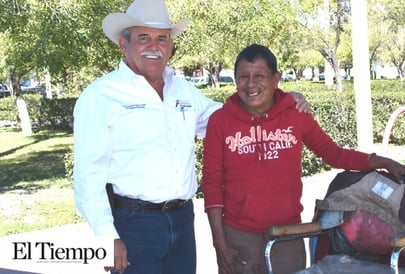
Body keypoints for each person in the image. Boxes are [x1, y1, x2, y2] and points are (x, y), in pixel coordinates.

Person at [73, 1, 311, 273]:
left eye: (162, 38)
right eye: (143, 38)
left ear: (171, 46)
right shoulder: (100, 96)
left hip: (183, 220)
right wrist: (107, 237)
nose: (154, 46)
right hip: (132, 223)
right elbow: (87, 176)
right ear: (123, 45)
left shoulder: (182, 90)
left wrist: (281, 101)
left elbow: (227, 121)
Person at [201, 43, 405, 274]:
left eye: (259, 76)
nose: (251, 84)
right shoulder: (220, 122)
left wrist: (382, 161)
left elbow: (333, 154)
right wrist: (219, 243)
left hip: (287, 235)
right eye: (243, 77)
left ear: (276, 78)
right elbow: (211, 184)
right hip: (238, 237)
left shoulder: (296, 115)